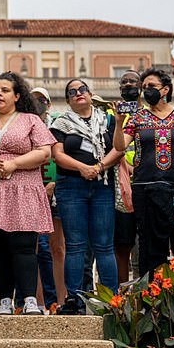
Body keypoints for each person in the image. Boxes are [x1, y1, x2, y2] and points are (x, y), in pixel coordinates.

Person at [0, 72, 54, 315]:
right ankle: (5, 300)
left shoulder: (30, 120)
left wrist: (13, 164)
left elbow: (44, 152)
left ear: (17, 96)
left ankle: (29, 299)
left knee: (24, 246)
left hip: (23, 190)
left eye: (5, 90)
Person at [114, 68, 174, 282]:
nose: (146, 91)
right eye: (144, 88)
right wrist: (118, 122)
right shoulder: (137, 117)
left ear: (165, 89)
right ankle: (150, 294)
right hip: (146, 187)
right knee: (149, 244)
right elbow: (120, 146)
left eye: (151, 87)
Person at [51, 79, 124, 313]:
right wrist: (83, 168)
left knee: (104, 245)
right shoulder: (60, 122)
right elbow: (58, 156)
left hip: (102, 185)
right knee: (75, 246)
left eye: (82, 89)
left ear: (91, 94)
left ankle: (110, 298)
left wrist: (99, 166)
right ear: (68, 100)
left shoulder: (108, 120)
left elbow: (119, 148)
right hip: (71, 186)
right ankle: (74, 300)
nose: (78, 93)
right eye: (72, 92)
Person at [31, 87, 65, 313]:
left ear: (49, 104)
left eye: (42, 100)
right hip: (33, 191)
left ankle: (61, 301)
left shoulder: (57, 126)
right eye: (34, 99)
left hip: (56, 189)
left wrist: (54, 185)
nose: (38, 103)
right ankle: (38, 300)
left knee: (58, 248)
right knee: (34, 248)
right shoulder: (24, 125)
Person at [113, 71, 141, 284]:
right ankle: (121, 293)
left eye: (133, 81)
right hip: (119, 188)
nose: (128, 84)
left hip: (144, 183)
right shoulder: (110, 112)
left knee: (145, 245)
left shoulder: (150, 112)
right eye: (124, 82)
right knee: (122, 244)